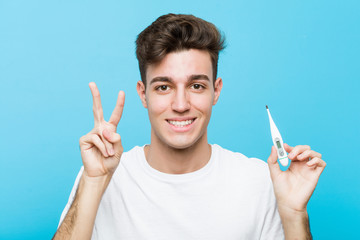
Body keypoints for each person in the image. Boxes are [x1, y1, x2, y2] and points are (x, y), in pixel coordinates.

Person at [53, 14, 326, 240]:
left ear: (216, 91)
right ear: (143, 94)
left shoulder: (259, 180)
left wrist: (293, 215)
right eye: (163, 87)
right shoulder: (100, 176)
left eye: (196, 86)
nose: (181, 104)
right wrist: (93, 182)